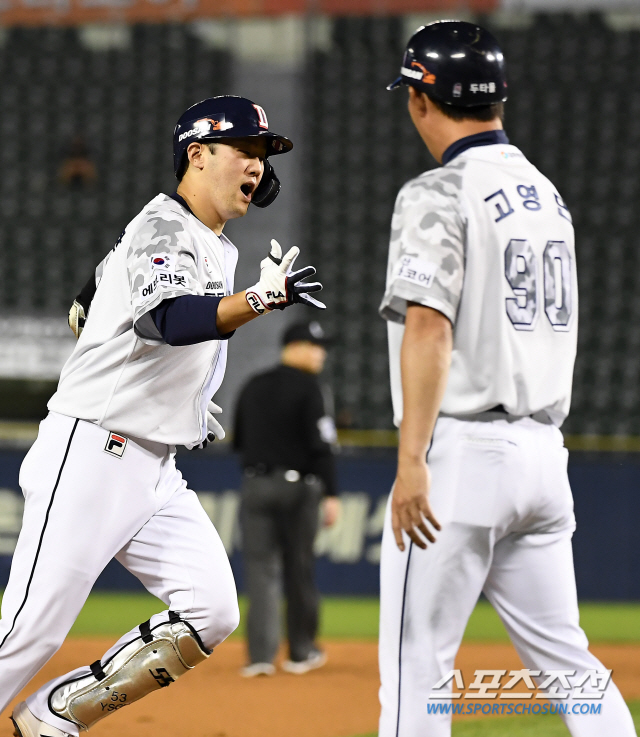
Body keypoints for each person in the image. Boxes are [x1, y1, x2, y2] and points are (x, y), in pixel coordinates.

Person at [0, 95, 325, 737]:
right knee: (26, 634)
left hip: (152, 468)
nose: (257, 166)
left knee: (210, 607)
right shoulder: (165, 224)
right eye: (245, 150)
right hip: (91, 453)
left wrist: (179, 397)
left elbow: (86, 304)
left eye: (263, 155)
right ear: (196, 154)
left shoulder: (208, 242)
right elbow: (166, 320)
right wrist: (259, 299)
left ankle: (52, 717)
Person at [378, 21, 636, 737]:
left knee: (416, 668)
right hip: (542, 459)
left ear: (424, 100)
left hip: (462, 454)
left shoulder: (436, 191)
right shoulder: (547, 196)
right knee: (571, 667)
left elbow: (429, 327)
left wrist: (410, 459)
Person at [233, 320, 340, 677]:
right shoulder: (312, 389)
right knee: (299, 569)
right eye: (314, 346)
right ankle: (301, 651)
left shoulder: (253, 385)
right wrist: (332, 493)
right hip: (299, 488)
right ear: (292, 347)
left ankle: (260, 658)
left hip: (256, 485)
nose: (320, 353)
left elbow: (239, 441)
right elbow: (322, 446)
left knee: (260, 573)